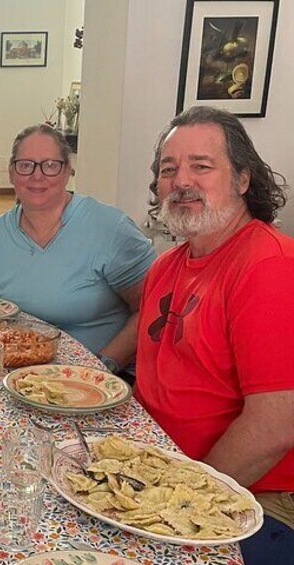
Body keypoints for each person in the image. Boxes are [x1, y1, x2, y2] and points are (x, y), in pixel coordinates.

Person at [135, 106, 294, 563]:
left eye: (201, 166)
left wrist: (174, 498)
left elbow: (273, 430)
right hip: (158, 469)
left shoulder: (269, 266)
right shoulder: (167, 265)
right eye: (169, 169)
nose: (182, 180)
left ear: (243, 179)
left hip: (252, 498)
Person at [0, 124, 154, 376]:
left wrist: (104, 365)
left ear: (68, 170)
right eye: (25, 165)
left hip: (97, 375)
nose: (37, 176)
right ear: (11, 173)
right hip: (20, 373)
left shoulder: (110, 228)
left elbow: (151, 307)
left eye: (50, 165)